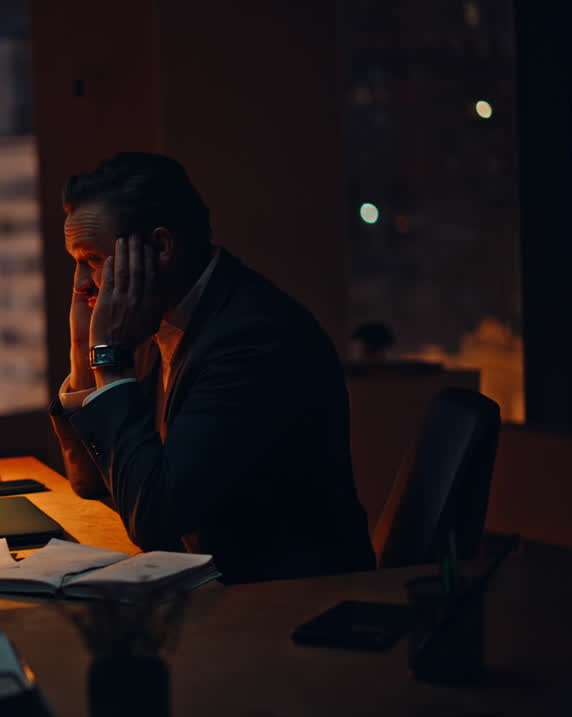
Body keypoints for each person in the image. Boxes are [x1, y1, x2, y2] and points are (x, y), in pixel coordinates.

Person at [49, 152, 375, 584]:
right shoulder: (155, 320)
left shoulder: (252, 338)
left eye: (92, 259)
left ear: (160, 248)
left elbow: (156, 519)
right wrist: (83, 352)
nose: (81, 285)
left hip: (284, 605)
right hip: (215, 591)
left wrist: (109, 352)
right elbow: (91, 482)